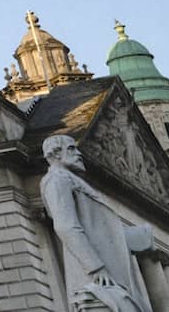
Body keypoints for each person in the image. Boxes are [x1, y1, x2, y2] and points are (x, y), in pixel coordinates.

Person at [41, 134, 155, 312]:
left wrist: (138, 237)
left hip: (110, 276)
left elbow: (100, 231)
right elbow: (66, 226)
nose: (78, 153)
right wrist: (95, 267)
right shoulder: (57, 180)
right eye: (71, 148)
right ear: (55, 154)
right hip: (97, 280)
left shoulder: (70, 179)